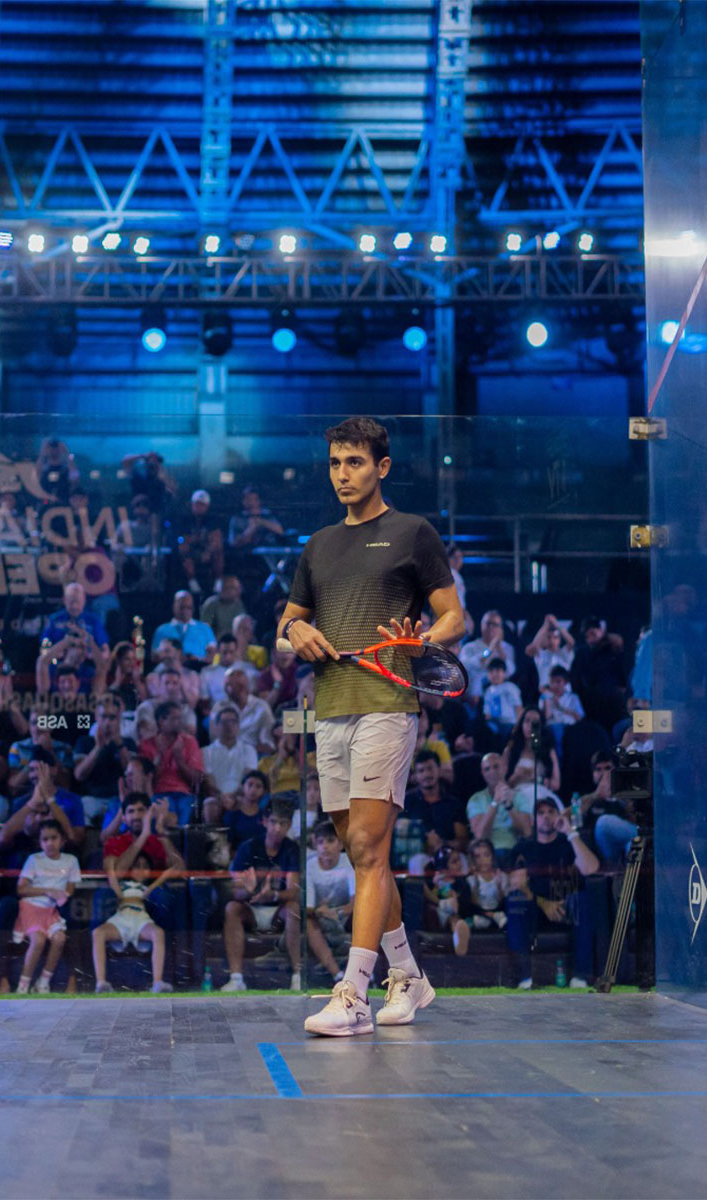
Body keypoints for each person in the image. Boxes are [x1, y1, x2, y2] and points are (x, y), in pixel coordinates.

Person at [281, 416, 463, 1037]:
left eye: (354, 462)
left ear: (381, 467)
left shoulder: (413, 533)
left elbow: (453, 618)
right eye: (334, 463)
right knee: (368, 858)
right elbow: (289, 623)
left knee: (365, 848)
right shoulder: (319, 545)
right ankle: (408, 974)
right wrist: (294, 631)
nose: (342, 474)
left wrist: (421, 641)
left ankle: (353, 993)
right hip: (329, 708)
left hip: (387, 704)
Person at [506, 795, 600, 989]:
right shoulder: (523, 848)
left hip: (566, 907)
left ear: (559, 816)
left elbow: (590, 868)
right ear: (533, 820)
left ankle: (580, 977)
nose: (546, 816)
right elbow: (515, 883)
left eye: (551, 812)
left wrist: (571, 832)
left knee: (583, 899)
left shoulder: (569, 843)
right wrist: (543, 903)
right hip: (534, 906)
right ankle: (525, 979)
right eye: (540, 813)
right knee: (516, 900)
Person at [92, 794, 183, 993]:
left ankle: (162, 977)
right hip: (119, 901)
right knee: (102, 896)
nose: (136, 815)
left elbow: (180, 868)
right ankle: (99, 979)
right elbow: (120, 872)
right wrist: (143, 837)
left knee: (165, 896)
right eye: (130, 811)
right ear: (123, 817)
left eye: (141, 810)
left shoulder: (157, 840)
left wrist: (160, 833)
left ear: (149, 813)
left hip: (150, 900)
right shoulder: (115, 841)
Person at [220, 797, 301, 992]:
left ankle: (298, 977)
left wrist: (272, 895)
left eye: (283, 823)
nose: (277, 828)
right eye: (273, 822)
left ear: (289, 825)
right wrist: (247, 890)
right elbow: (233, 891)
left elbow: (294, 893)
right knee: (231, 908)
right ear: (264, 822)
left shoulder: (292, 849)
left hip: (277, 912)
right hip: (251, 910)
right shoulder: (248, 848)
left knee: (294, 909)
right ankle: (236, 978)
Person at [13, 819, 80, 993]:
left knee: (59, 939)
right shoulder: (34, 859)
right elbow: (21, 889)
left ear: (62, 840)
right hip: (31, 908)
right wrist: (48, 891)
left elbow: (69, 890)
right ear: (40, 842)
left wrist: (60, 896)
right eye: (45, 839)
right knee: (38, 940)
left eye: (54, 838)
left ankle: (43, 982)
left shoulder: (71, 861)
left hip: (51, 911)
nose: (49, 843)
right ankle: (23, 985)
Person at [304, 820, 356, 983]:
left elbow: (355, 902)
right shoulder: (310, 866)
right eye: (320, 842)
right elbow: (309, 908)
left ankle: (363, 976)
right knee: (308, 923)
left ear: (340, 844)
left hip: (345, 916)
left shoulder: (348, 862)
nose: (324, 846)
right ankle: (338, 976)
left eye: (330, 841)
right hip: (321, 917)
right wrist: (322, 911)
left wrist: (338, 913)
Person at [136, 700, 202, 827]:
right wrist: (159, 757)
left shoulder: (189, 742)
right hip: (159, 793)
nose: (180, 723)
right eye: (175, 719)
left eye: (180, 718)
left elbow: (197, 779)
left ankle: (182, 844)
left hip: (185, 794)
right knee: (163, 809)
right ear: (161, 721)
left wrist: (179, 760)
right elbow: (146, 780)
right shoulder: (146, 745)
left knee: (188, 810)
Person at [464, 751, 534, 866]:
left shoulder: (519, 797)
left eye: (496, 767)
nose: (492, 772)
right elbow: (480, 835)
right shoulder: (475, 799)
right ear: (482, 773)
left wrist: (509, 806)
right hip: (487, 855)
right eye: (487, 769)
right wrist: (495, 803)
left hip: (515, 851)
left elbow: (527, 832)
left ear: (505, 768)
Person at [202, 704, 258, 819]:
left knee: (245, 803)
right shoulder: (206, 752)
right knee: (210, 807)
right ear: (216, 726)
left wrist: (233, 796)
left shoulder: (249, 750)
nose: (229, 725)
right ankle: (214, 837)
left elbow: (248, 778)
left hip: (242, 795)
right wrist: (222, 797)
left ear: (238, 725)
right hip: (216, 796)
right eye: (225, 722)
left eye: (233, 721)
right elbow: (209, 780)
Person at [151, 590, 216, 663]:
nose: (185, 611)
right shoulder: (162, 630)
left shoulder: (205, 628)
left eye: (189, 607)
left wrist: (197, 660)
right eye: (182, 607)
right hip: (169, 670)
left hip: (199, 669)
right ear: (174, 606)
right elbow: (154, 656)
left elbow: (213, 653)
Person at [465, 839, 508, 932]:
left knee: (504, 919)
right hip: (480, 914)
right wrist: (476, 884)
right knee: (476, 921)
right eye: (477, 856)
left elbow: (503, 903)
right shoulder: (470, 879)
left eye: (486, 855)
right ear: (473, 859)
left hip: (498, 912)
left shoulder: (502, 876)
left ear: (492, 857)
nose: (482, 860)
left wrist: (499, 886)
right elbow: (473, 904)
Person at [199, 574, 247, 641]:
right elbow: (205, 628)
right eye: (226, 588)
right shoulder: (211, 604)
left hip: (234, 640)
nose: (229, 591)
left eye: (232, 588)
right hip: (215, 641)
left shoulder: (239, 604)